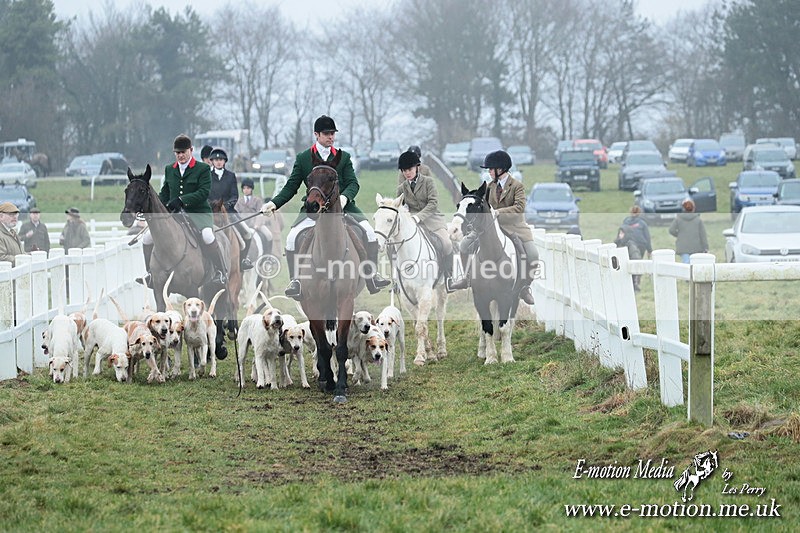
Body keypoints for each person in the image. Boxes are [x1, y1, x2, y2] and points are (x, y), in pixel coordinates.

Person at [261, 115, 391, 298]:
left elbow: (353, 183)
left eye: (333, 133)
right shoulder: (304, 158)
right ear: (316, 134)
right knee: (291, 238)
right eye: (327, 133)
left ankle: (372, 275)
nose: (331, 137)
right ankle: (296, 281)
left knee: (369, 233)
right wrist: (274, 203)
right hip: (313, 210)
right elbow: (291, 186)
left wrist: (345, 198)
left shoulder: (343, 157)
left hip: (343, 209)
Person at [446, 150, 537, 305]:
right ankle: (467, 278)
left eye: (490, 169)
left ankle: (524, 287)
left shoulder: (517, 186)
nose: (488, 171)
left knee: (533, 254)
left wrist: (497, 212)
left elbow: (519, 208)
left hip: (514, 226)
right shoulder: (488, 187)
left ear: (500, 169)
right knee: (464, 245)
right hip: (489, 227)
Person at [138, 134, 226, 286]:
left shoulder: (203, 168)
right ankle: (150, 274)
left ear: (191, 150)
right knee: (147, 238)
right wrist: (156, 208)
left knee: (207, 236)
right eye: (177, 153)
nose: (180, 155)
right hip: (174, 215)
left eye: (183, 152)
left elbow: (203, 192)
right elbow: (165, 193)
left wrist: (182, 200)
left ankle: (219, 272)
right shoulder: (169, 169)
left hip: (198, 213)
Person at [396, 149, 453, 278]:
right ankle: (398, 279)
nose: (407, 173)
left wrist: (418, 217)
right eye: (404, 171)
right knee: (396, 246)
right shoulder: (401, 188)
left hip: (433, 221)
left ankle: (449, 275)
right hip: (412, 224)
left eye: (409, 169)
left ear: (416, 167)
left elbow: (433, 204)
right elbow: (399, 207)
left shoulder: (428, 182)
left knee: (447, 244)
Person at [208, 147, 253, 270]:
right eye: (216, 159)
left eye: (221, 159)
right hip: (211, 212)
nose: (218, 162)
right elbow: (205, 194)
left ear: (224, 161)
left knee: (248, 233)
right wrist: (213, 207)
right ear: (211, 161)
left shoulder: (231, 176)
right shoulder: (207, 176)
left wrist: (225, 206)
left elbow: (235, 195)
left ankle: (243, 259)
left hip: (229, 211)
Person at [669, 198, 708, 263]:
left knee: (686, 263)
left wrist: (679, 235)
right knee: (694, 264)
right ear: (693, 208)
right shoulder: (698, 220)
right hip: (696, 247)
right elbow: (703, 235)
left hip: (683, 247)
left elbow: (671, 230)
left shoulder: (678, 219)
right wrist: (705, 247)